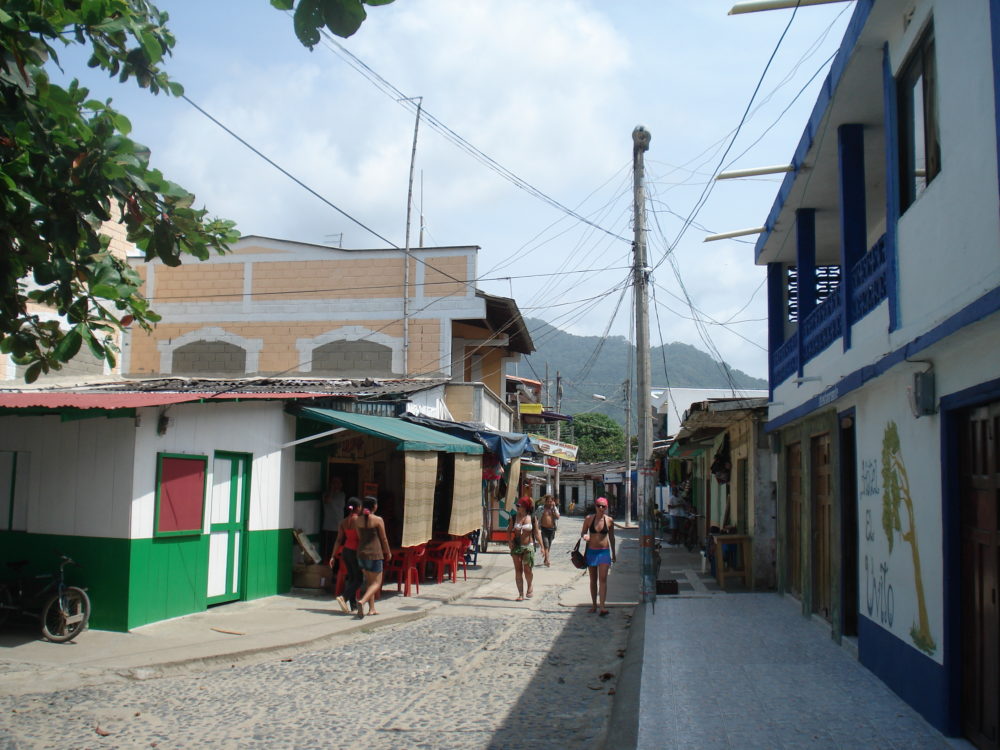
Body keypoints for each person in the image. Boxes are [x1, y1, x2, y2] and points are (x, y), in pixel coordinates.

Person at [354, 495, 391, 619]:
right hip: (375, 554)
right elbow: (383, 538)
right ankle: (362, 601)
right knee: (377, 583)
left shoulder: (357, 520)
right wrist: (388, 552)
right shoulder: (378, 520)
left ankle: (372, 609)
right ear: (375, 506)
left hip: (361, 553)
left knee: (370, 582)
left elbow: (359, 536)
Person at [580, 496, 616, 616]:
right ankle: (594, 605)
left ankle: (602, 606)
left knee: (603, 579)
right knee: (593, 579)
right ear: (595, 506)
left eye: (603, 506)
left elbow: (611, 537)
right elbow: (583, 532)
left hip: (604, 552)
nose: (601, 508)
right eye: (598, 505)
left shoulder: (609, 520)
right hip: (592, 552)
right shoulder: (589, 519)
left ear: (606, 507)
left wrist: (614, 553)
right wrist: (585, 536)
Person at [331, 497, 362, 613]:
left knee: (352, 577)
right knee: (358, 579)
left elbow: (338, 540)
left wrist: (333, 555)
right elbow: (360, 538)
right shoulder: (358, 521)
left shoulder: (343, 522)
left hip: (346, 551)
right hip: (355, 551)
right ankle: (344, 597)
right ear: (358, 508)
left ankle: (353, 606)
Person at [509, 497, 542, 601]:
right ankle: (520, 594)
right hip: (517, 546)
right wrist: (509, 541)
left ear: (525, 507)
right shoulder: (514, 517)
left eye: (519, 506)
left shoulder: (532, 518)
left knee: (527, 570)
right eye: (517, 505)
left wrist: (542, 546)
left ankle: (530, 585)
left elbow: (536, 532)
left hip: (528, 546)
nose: (517, 507)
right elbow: (509, 530)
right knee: (518, 570)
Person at [321, 476, 346, 561]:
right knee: (328, 549)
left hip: (339, 526)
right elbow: (327, 500)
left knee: (339, 550)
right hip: (329, 526)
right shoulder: (326, 495)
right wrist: (331, 490)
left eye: (338, 483)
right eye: (334, 483)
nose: (337, 485)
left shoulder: (342, 495)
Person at [535, 494, 560, 566]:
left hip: (552, 530)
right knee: (546, 545)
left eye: (551, 501)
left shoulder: (554, 509)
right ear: (545, 502)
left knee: (549, 545)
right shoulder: (541, 508)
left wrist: (553, 509)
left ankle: (545, 559)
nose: (549, 503)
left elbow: (558, 517)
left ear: (553, 502)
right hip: (543, 529)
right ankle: (547, 561)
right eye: (548, 501)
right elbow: (535, 516)